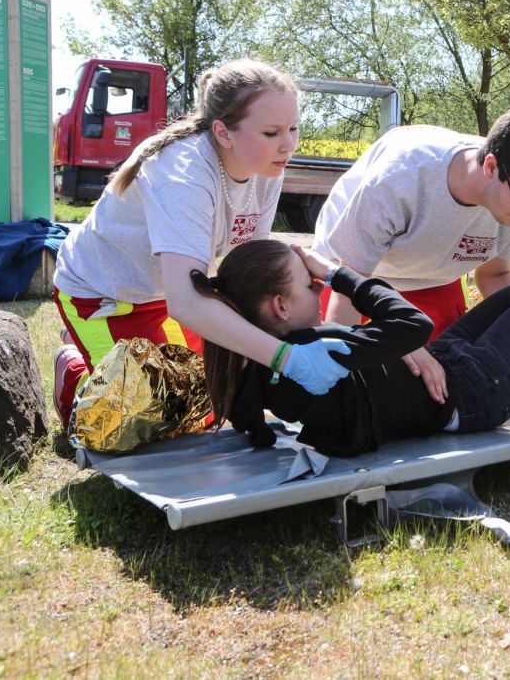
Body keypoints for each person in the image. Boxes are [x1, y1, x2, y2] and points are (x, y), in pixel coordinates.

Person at [52, 59, 351, 428]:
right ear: (224, 133)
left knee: (212, 404)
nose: (288, 145)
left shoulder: (266, 167)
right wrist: (284, 358)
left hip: (169, 293)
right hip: (104, 295)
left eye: (293, 128)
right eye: (272, 133)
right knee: (145, 421)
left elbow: (247, 275)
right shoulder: (183, 174)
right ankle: (74, 372)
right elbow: (186, 301)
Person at [191, 239, 510, 456]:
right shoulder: (319, 351)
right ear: (279, 306)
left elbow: (251, 424)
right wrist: (339, 272)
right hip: (479, 391)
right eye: (310, 284)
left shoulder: (253, 368)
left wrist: (261, 436)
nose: (321, 292)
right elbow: (412, 323)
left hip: (451, 363)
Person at [312, 102, 510, 398]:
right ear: (491, 167)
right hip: (355, 276)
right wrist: (339, 384)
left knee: (443, 390)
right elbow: (348, 289)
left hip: (436, 277)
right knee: (365, 391)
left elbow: (495, 275)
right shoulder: (400, 178)